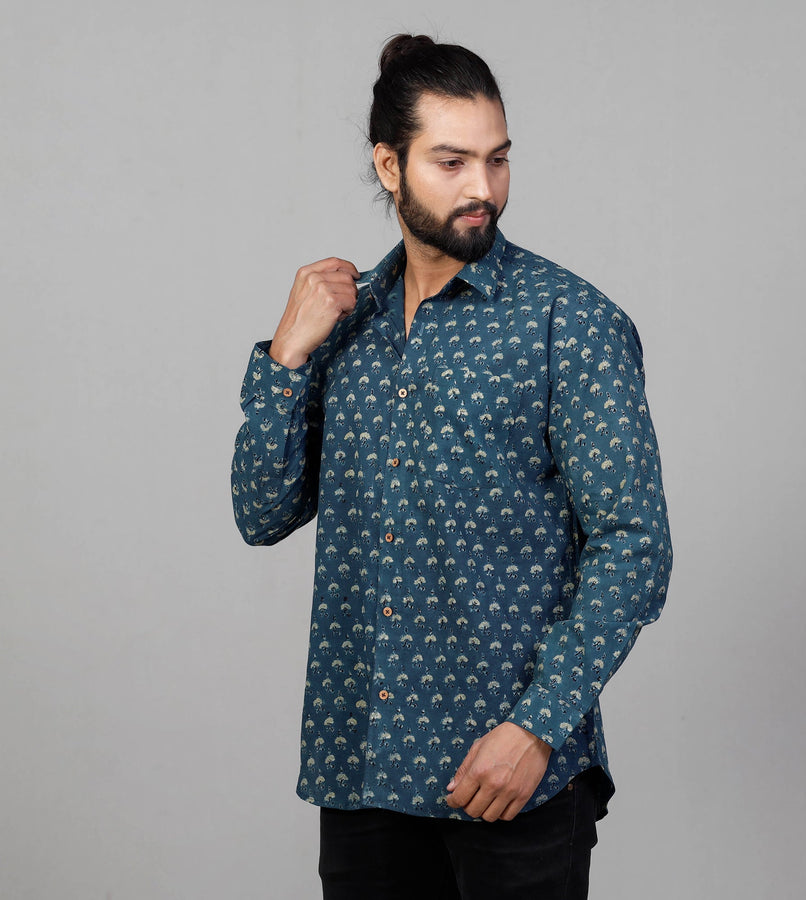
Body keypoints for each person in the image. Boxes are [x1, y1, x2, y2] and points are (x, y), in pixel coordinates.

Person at [231, 34, 672, 900]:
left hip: (512, 778)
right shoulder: (344, 325)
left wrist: (537, 728)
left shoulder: (570, 323)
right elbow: (261, 512)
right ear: (388, 166)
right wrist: (285, 357)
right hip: (364, 773)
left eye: (497, 159)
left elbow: (634, 546)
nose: (483, 189)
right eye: (452, 161)